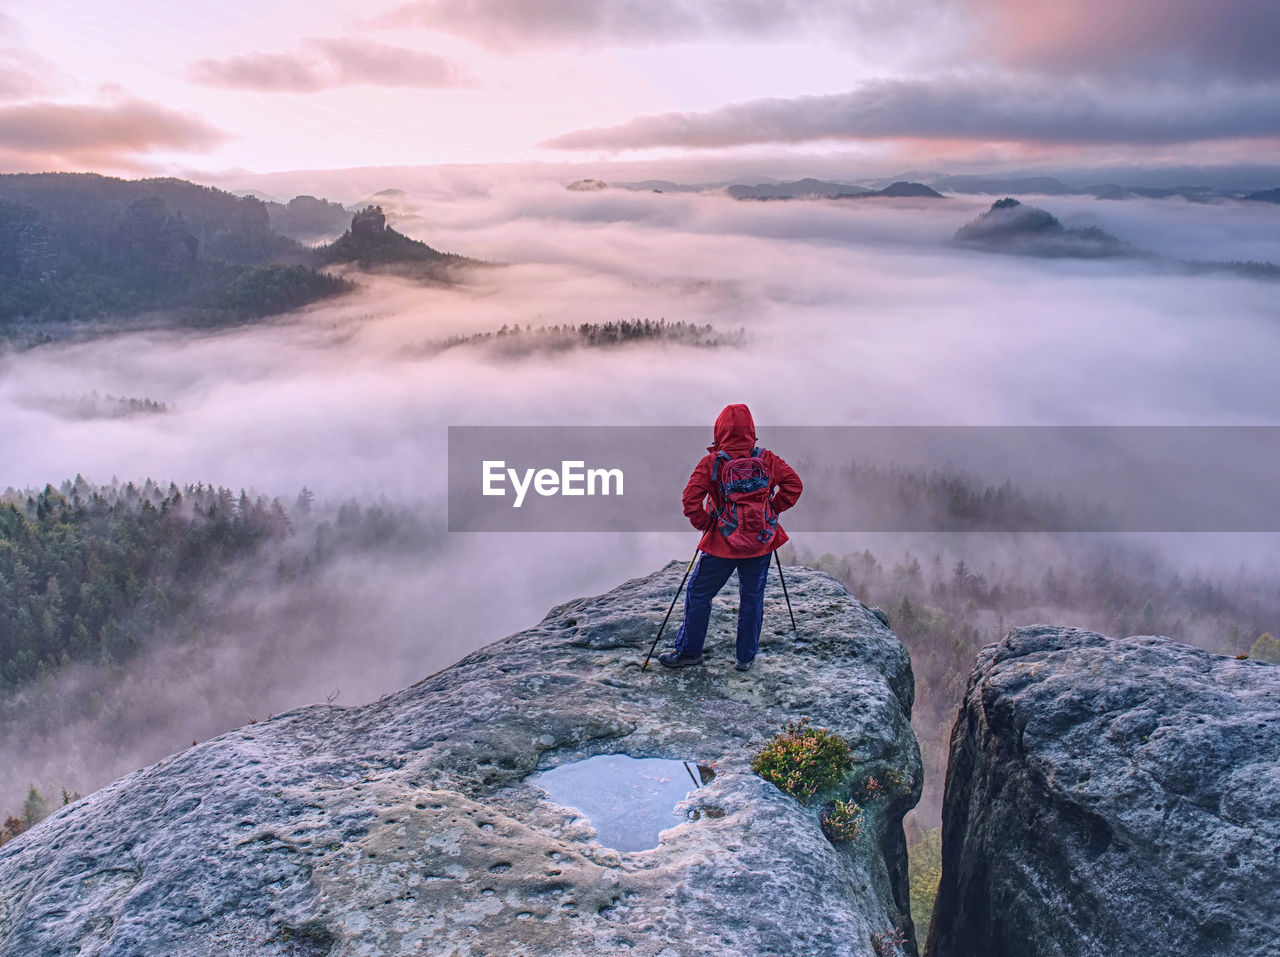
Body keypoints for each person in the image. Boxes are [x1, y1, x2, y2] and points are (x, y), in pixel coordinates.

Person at [658, 404, 803, 672]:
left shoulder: (713, 463)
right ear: (751, 430)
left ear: (719, 430)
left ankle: (689, 651)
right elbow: (795, 485)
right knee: (752, 596)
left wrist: (707, 524)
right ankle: (745, 657)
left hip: (721, 543)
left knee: (699, 593)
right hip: (761, 540)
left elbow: (690, 500)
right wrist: (771, 510)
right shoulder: (766, 458)